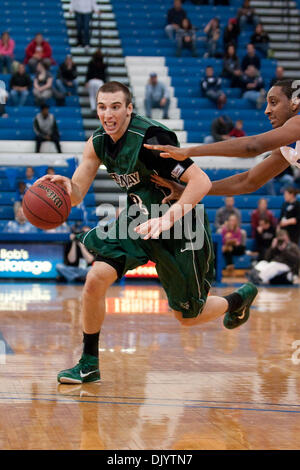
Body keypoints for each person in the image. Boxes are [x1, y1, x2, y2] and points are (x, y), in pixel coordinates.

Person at [35, 81, 258, 383]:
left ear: (129, 108)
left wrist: (167, 219)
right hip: (139, 219)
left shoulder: (152, 138)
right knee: (94, 280)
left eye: (115, 107)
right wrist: (63, 187)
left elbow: (201, 182)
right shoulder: (98, 141)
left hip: (181, 223)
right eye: (102, 107)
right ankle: (89, 363)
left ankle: (238, 299)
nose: (108, 114)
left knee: (188, 317)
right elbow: (76, 194)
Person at [143, 80, 300, 213]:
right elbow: (248, 181)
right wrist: (190, 191)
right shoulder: (287, 148)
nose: (266, 111)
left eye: (273, 102)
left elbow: (253, 146)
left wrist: (188, 151)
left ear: (294, 103)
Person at [85, 49, 107, 113]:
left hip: (92, 81)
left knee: (92, 96)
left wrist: (86, 81)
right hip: (100, 81)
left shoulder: (91, 63)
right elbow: (104, 75)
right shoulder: (103, 64)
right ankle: (99, 108)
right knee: (99, 96)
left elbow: (88, 73)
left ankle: (93, 108)